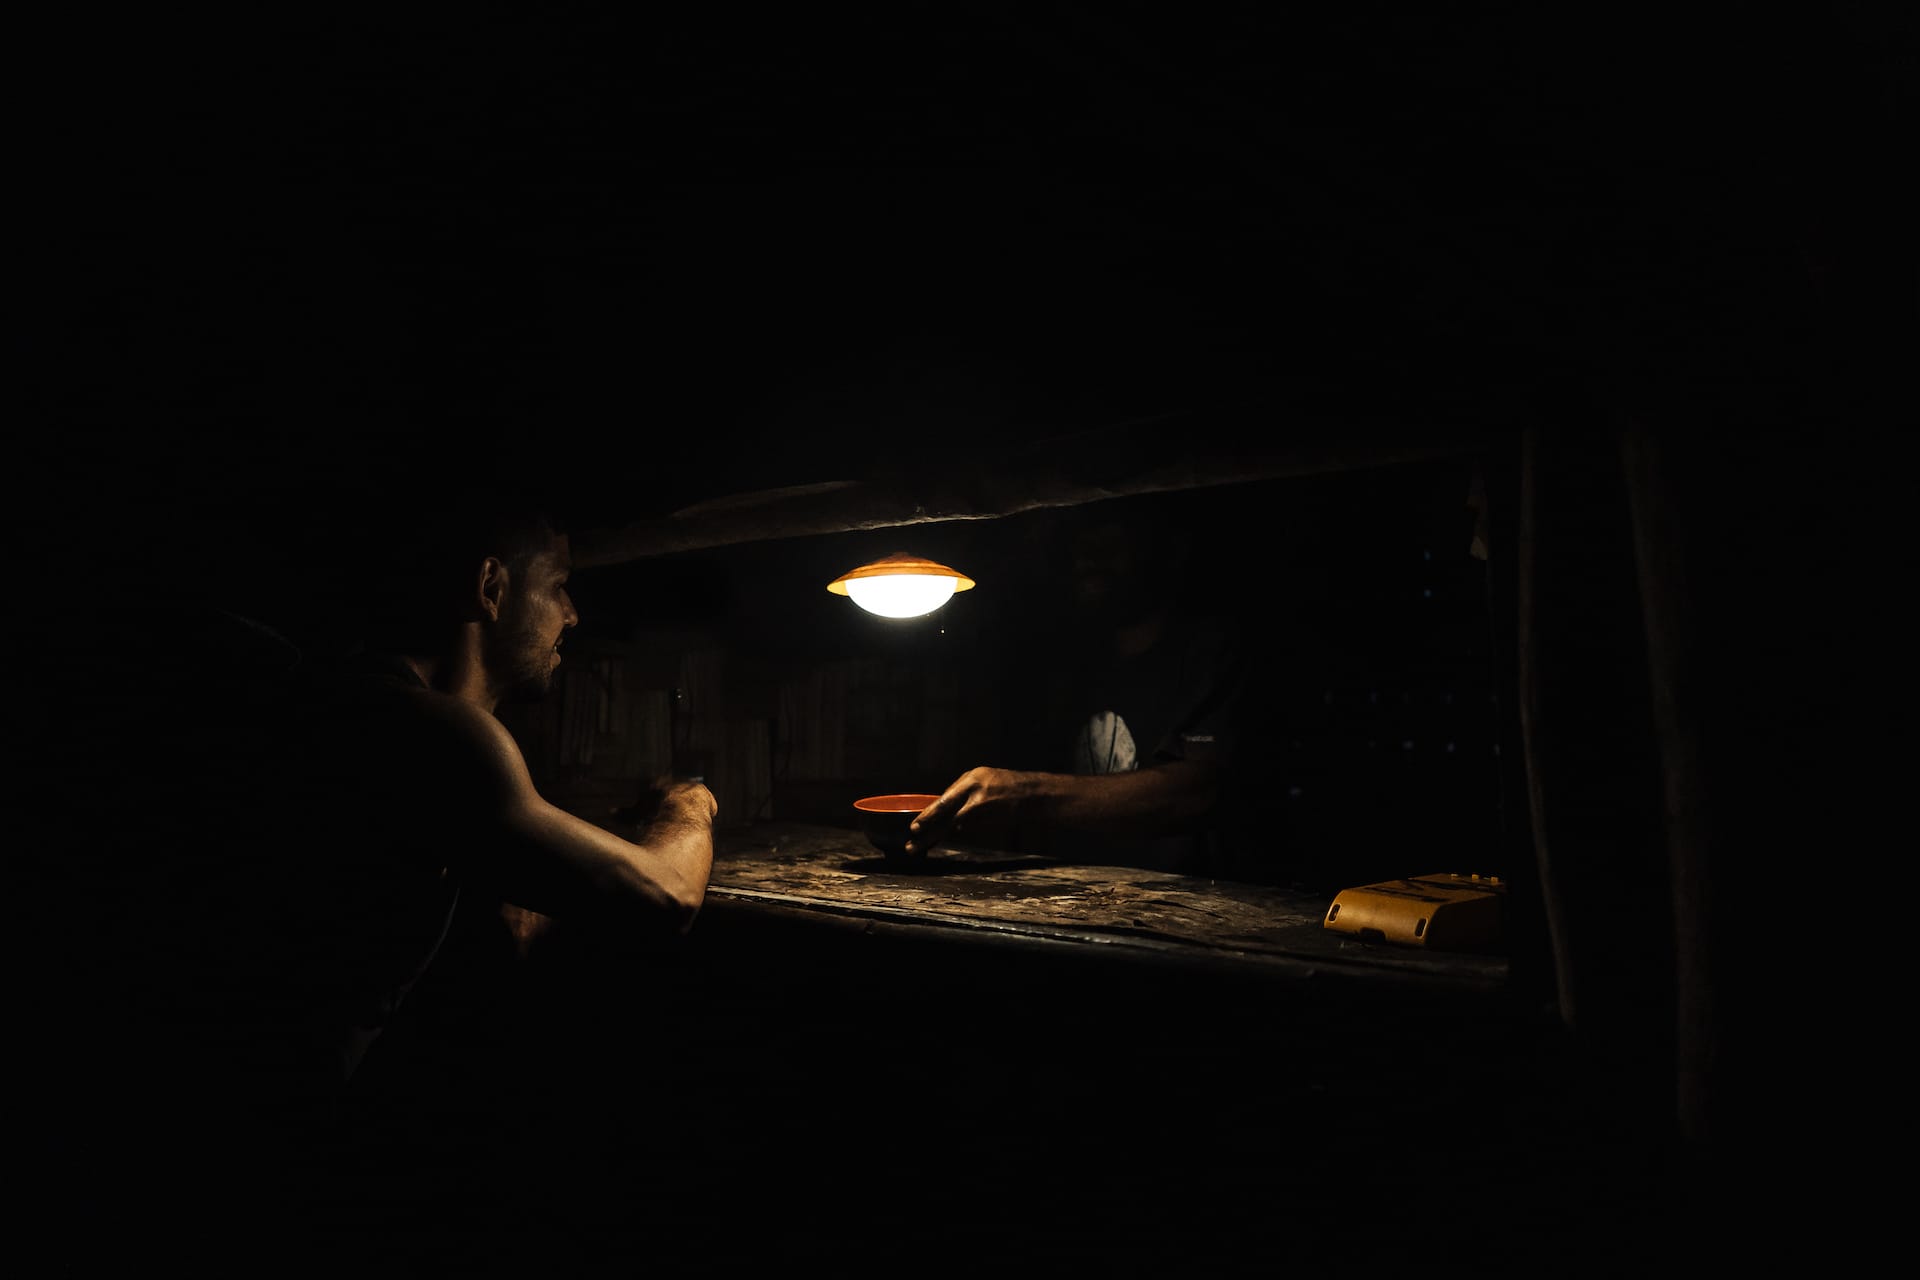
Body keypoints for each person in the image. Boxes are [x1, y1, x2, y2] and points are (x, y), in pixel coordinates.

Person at [17, 477, 718, 1260]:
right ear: (490, 589)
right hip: (220, 1155)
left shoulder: (353, 699)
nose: (574, 614)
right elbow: (667, 898)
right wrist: (688, 804)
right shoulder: (426, 731)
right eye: (558, 585)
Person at [905, 496, 1274, 880]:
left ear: (1172, 546)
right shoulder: (1065, 659)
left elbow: (1203, 791)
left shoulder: (1212, 652)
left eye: (1112, 536)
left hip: (1188, 899)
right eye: (1080, 537)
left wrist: (1025, 795)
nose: (1088, 555)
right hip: (1072, 894)